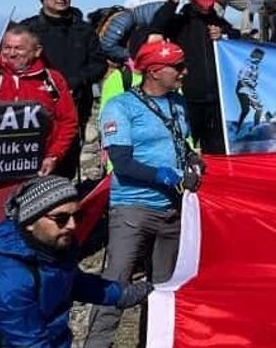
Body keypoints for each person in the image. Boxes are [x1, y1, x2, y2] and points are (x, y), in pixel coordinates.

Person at [86, 40, 202, 348]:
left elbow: (179, 141)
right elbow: (122, 163)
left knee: (164, 289)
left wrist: (191, 157)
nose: (184, 72)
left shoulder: (177, 102)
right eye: (177, 67)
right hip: (133, 209)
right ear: (154, 71)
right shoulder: (120, 106)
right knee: (115, 285)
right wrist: (166, 175)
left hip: (172, 210)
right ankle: (97, 344)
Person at [0, 176, 151, 348]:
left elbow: (71, 281)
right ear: (30, 222)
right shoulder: (9, 278)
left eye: (77, 216)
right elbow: (30, 342)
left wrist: (119, 294)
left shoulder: (52, 249)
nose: (72, 225)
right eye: (61, 219)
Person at [0, 25, 77, 231]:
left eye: (19, 48)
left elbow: (68, 121)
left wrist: (54, 156)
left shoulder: (52, 80)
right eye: (6, 47)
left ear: (37, 51)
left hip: (41, 169)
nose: (11, 53)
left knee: (40, 227)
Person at [21, 0, 104, 179]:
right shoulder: (28, 29)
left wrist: (76, 81)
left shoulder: (84, 30)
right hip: (36, 107)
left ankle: (65, 194)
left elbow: (99, 64)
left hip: (77, 105)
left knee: (69, 159)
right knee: (34, 161)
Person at [148, 0, 240, 154]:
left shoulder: (219, 22)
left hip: (217, 99)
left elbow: (239, 42)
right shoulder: (181, 21)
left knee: (218, 151)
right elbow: (157, 25)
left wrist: (224, 35)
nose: (206, 4)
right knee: (183, 148)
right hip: (188, 97)